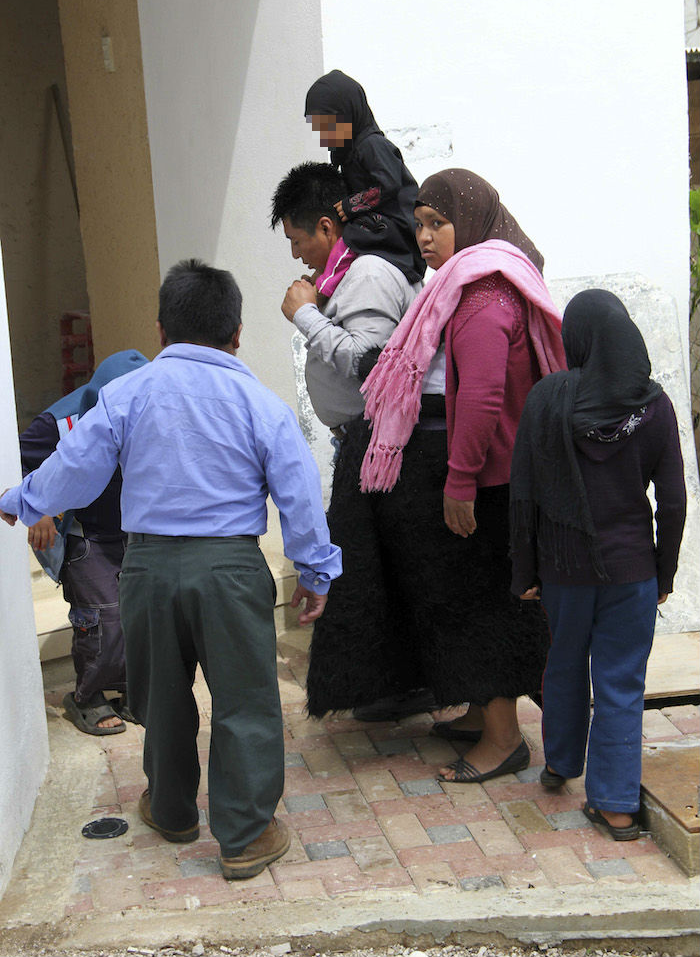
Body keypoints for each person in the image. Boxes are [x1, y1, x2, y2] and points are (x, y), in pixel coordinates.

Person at [1, 260, 341, 880]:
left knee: (160, 695)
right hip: (231, 569)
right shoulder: (259, 402)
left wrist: (23, 500)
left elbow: (75, 463)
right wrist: (315, 574)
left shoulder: (126, 394)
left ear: (161, 331)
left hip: (146, 567)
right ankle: (244, 835)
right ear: (236, 333)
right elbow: (299, 491)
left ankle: (171, 808)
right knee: (245, 700)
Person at [359, 168, 567, 782]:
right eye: (419, 223)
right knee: (485, 600)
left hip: (492, 482)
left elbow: (476, 398)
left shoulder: (479, 297)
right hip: (507, 476)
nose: (424, 237)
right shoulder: (488, 283)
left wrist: (460, 481)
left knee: (482, 608)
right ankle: (482, 714)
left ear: (469, 224)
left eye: (436, 223)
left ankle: (503, 739)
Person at [509, 289, 686, 839]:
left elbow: (523, 495)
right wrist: (664, 573)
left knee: (564, 662)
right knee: (620, 683)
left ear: (577, 340)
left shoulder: (547, 399)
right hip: (632, 572)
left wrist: (526, 572)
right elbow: (674, 499)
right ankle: (614, 807)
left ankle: (562, 762)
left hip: (564, 571)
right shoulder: (654, 407)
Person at [271, 160, 437, 720]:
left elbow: (373, 365)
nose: (296, 255)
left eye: (298, 241)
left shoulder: (364, 276)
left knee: (384, 570)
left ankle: (408, 687)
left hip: (382, 450)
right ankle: (394, 684)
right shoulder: (342, 275)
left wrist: (308, 318)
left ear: (325, 227)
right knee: (376, 569)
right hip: (361, 446)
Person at [20, 350, 148, 735]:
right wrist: (38, 510)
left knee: (140, 617)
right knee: (102, 618)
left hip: (137, 532)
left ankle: (131, 690)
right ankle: (87, 697)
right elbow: (15, 460)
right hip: (86, 534)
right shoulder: (58, 423)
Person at [304, 70, 425, 284]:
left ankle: (323, 286)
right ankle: (324, 277)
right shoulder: (349, 151)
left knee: (350, 236)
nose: (323, 135)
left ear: (347, 115)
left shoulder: (371, 145)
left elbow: (388, 185)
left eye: (327, 126)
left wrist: (352, 205)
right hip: (379, 224)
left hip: (398, 230)